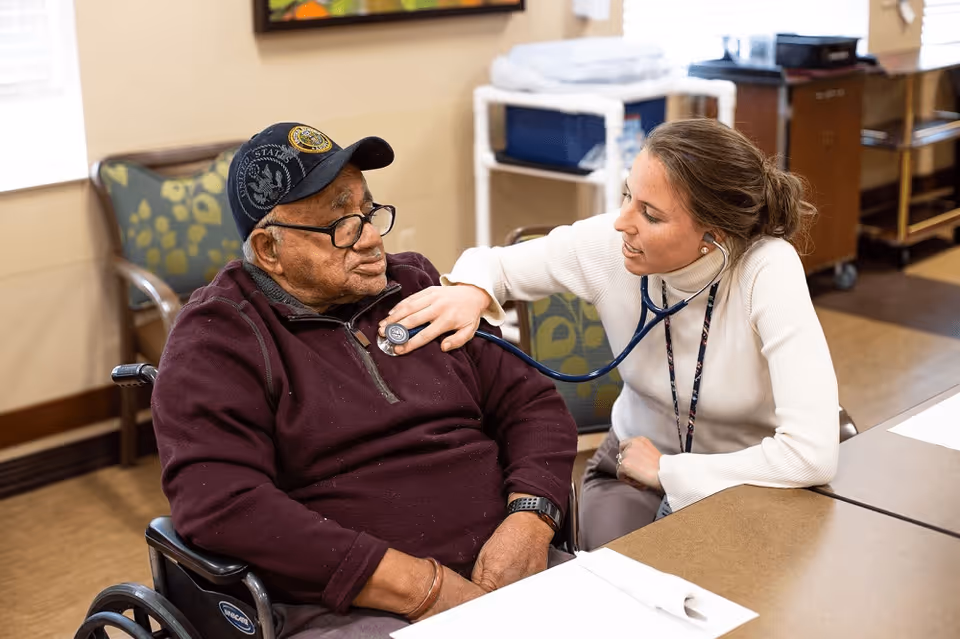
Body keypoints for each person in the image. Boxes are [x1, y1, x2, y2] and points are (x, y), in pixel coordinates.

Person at [151, 122, 578, 638]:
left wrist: (530, 521)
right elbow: (222, 503)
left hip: (512, 565)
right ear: (269, 250)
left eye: (367, 212)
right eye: (341, 225)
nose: (372, 237)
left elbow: (530, 405)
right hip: (354, 607)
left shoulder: (416, 284)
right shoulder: (219, 337)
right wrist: (424, 588)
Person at [379, 118, 840, 549]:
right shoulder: (610, 245)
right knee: (612, 591)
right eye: (626, 195)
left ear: (713, 235)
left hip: (749, 478)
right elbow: (494, 263)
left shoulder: (767, 269)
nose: (622, 222)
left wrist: (669, 472)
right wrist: (471, 291)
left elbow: (809, 456)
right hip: (630, 466)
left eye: (651, 215)